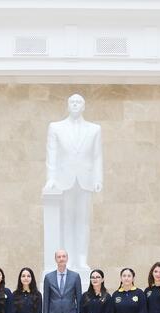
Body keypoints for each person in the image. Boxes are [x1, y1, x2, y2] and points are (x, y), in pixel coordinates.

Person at [43, 94, 103, 270]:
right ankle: (67, 258)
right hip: (64, 179)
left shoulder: (94, 129)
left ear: (83, 106)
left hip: (85, 179)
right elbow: (52, 154)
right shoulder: (56, 127)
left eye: (78, 102)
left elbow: (97, 156)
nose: (75, 105)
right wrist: (51, 178)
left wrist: (98, 178)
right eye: (72, 102)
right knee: (67, 220)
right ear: (68, 105)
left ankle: (82, 259)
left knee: (83, 221)